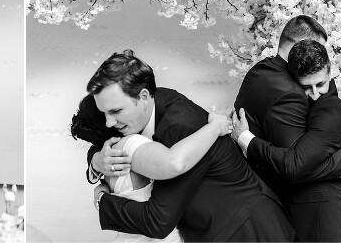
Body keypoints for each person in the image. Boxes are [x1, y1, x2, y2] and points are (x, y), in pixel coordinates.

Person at [87, 49, 295, 242]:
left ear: (142, 97)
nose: (108, 122)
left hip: (247, 231)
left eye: (114, 112)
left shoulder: (182, 128)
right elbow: (98, 138)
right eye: (104, 112)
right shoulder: (146, 104)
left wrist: (102, 199)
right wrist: (96, 162)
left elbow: (157, 221)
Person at [232, 15, 341, 242]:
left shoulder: (259, 71)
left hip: (293, 213)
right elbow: (296, 167)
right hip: (322, 218)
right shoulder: (289, 93)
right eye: (316, 48)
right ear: (300, 49)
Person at [71, 94, 233, 243]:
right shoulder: (133, 145)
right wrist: (215, 127)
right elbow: (173, 161)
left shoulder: (107, 151)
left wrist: (100, 193)